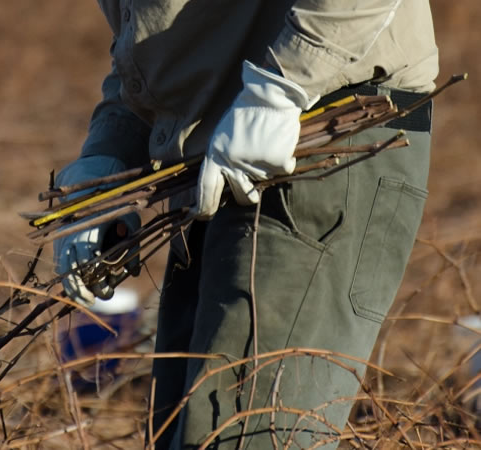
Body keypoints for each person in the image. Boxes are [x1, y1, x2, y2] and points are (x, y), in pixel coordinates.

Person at [53, 1, 439, 448]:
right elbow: (161, 36)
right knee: (182, 433)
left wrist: (282, 88)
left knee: (235, 437)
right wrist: (111, 147)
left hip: (323, 132)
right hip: (213, 157)